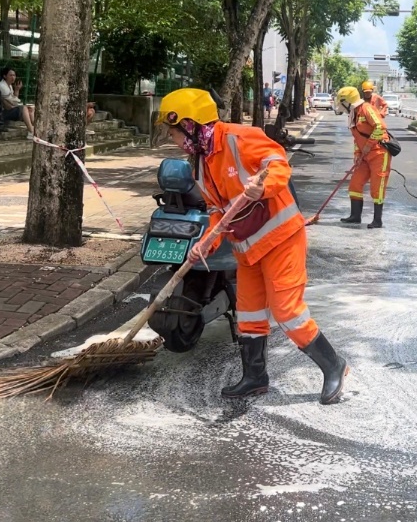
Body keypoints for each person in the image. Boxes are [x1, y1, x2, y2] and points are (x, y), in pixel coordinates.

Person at [154, 88, 349, 405]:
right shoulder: (199, 166)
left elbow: (278, 164)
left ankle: (333, 366)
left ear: (191, 125)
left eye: (175, 133)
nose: (174, 140)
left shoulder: (239, 138)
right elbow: (218, 212)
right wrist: (205, 242)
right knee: (249, 314)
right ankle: (255, 377)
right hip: (247, 249)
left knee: (287, 312)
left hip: (281, 239)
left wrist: (262, 186)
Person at [335, 86, 390, 229]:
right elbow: (357, 137)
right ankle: (355, 216)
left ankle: (377, 220)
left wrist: (367, 147)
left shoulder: (366, 108)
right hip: (364, 156)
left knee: (377, 188)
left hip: (379, 153)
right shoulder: (353, 113)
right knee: (355, 184)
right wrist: (358, 154)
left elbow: (380, 127)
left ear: (347, 101)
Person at [0, 67, 35, 139]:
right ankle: (31, 131)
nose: (13, 77)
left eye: (14, 75)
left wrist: (17, 90)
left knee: (31, 109)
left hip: (9, 109)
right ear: (5, 76)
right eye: (10, 75)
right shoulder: (2, 86)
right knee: (24, 108)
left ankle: (35, 129)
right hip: (2, 112)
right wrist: (19, 105)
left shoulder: (9, 85)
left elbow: (14, 100)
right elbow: (12, 103)